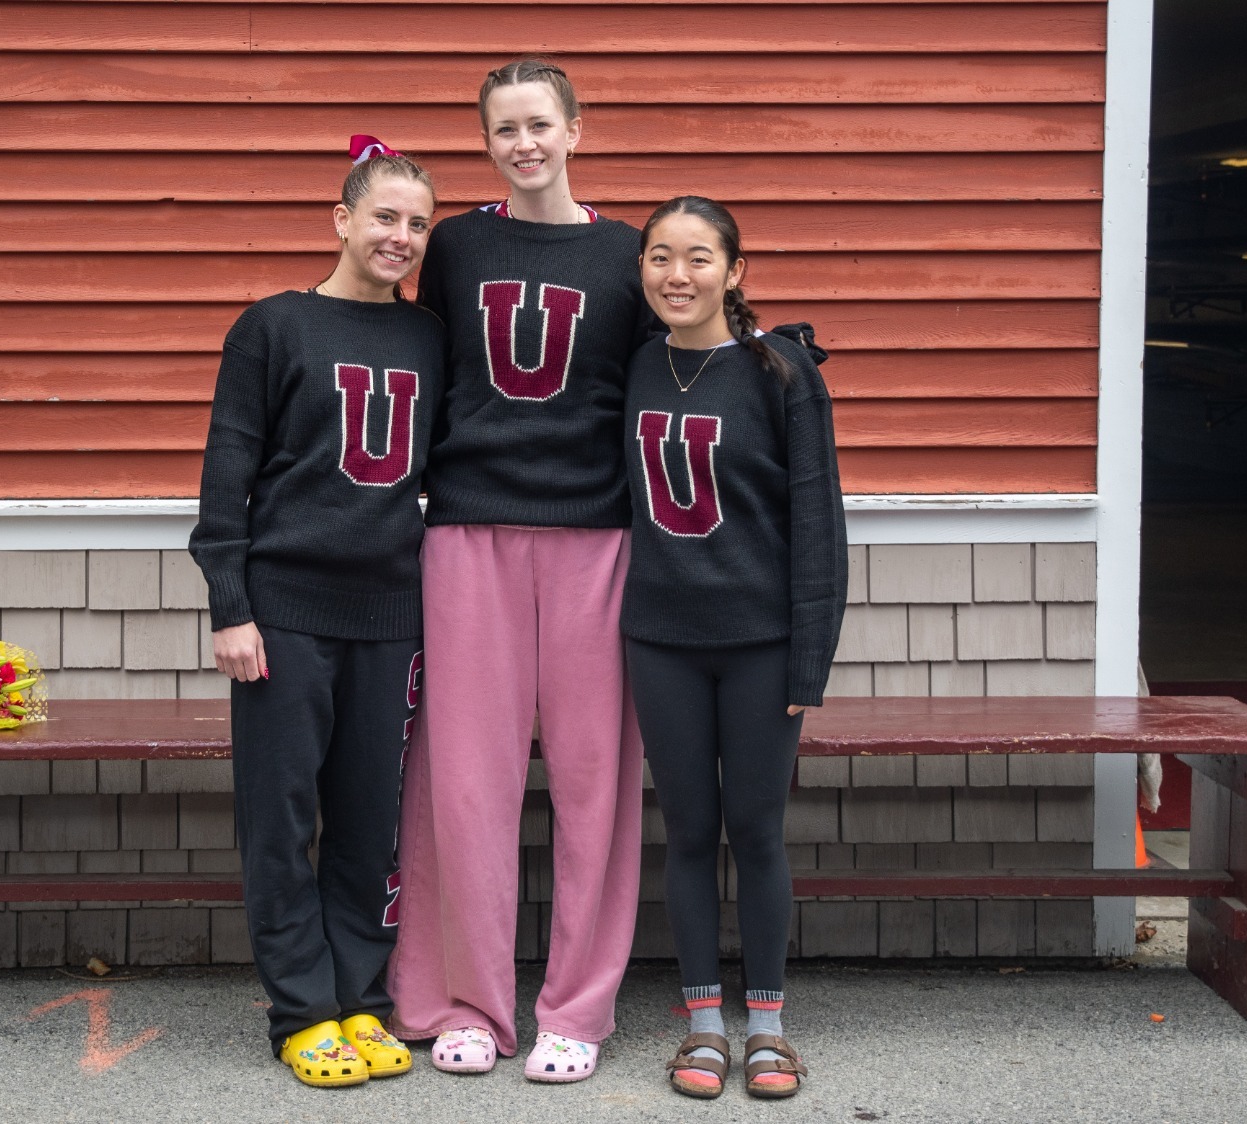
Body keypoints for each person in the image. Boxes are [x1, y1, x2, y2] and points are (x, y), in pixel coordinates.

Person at [385, 59, 657, 1083]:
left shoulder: (629, 252)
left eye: (539, 124)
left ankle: (576, 1006)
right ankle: (466, 1000)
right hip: (468, 532)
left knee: (595, 783)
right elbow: (431, 374)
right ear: (486, 139)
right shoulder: (452, 246)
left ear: (576, 128)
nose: (523, 143)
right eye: (503, 128)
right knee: (460, 783)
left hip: (597, 538)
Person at [188, 138, 444, 1088]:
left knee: (370, 821)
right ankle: (301, 1009)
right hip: (285, 614)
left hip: (391, 614)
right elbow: (228, 475)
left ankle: (360, 999)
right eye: (385, 217)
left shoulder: (428, 337)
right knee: (282, 817)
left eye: (418, 224)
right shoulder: (272, 327)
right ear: (342, 219)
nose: (401, 237)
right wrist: (231, 605)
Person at [620, 196, 846, 1100]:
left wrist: (809, 660)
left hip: (760, 642)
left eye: (699, 257)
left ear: (735, 271)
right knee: (687, 832)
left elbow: (818, 524)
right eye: (661, 257)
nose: (679, 275)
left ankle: (769, 1029)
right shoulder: (634, 368)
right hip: (662, 638)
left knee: (754, 831)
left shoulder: (783, 372)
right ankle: (702, 1026)